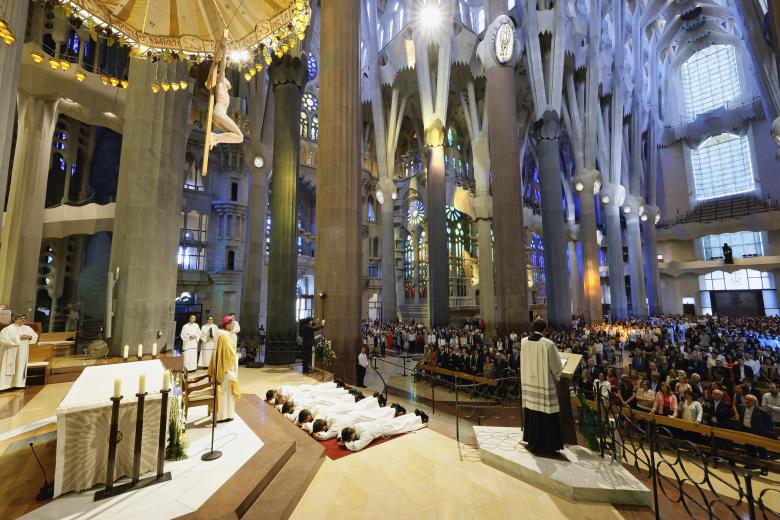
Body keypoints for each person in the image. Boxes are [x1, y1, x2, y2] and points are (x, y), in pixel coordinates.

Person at [520, 318, 564, 456]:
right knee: (546, 414)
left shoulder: (524, 342)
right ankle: (547, 445)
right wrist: (558, 374)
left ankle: (532, 441)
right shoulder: (548, 344)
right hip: (544, 384)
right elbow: (557, 366)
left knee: (532, 413)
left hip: (529, 383)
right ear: (545, 329)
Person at [205, 30, 244, 149]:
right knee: (240, 137)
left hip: (218, 115)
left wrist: (224, 48)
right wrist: (224, 49)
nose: (228, 81)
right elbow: (222, 67)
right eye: (226, 79)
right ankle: (214, 138)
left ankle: (215, 139)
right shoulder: (220, 84)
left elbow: (221, 67)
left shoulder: (222, 88)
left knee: (237, 137)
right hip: (219, 114)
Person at [339, 411, 428, 451]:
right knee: (399, 421)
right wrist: (341, 438)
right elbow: (345, 429)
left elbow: (357, 447)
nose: (352, 441)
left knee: (402, 426)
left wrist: (346, 444)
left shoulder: (366, 433)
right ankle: (415, 415)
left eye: (350, 439)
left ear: (352, 435)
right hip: (381, 422)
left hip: (385, 428)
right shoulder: (356, 426)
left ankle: (420, 419)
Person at [208, 316, 240, 422]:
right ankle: (223, 415)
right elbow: (229, 355)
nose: (233, 326)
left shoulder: (220, 335)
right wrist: (237, 356)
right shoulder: (225, 337)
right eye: (232, 325)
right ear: (227, 325)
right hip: (225, 368)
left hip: (220, 366)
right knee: (225, 391)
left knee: (225, 391)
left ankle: (225, 414)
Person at [0, 314, 37, 390]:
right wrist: (18, 338)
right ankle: (4, 386)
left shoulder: (28, 328)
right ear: (15, 319)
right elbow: (2, 339)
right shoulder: (8, 329)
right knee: (7, 367)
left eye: (24, 318)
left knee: (20, 366)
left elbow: (34, 336)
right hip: (10, 352)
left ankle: (18, 384)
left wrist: (29, 337)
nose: (23, 320)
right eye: (21, 318)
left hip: (22, 353)